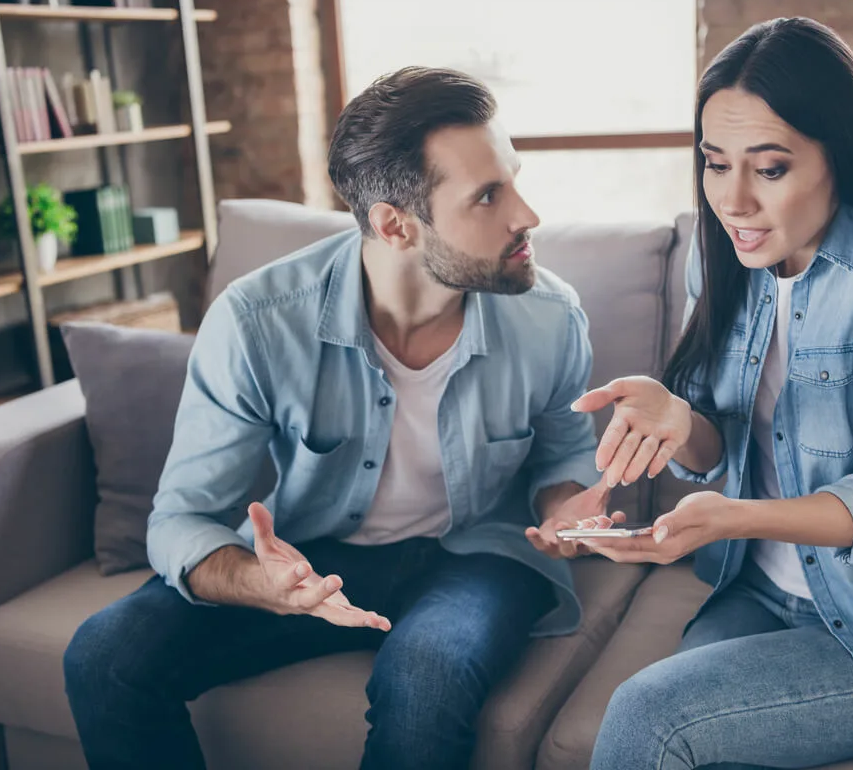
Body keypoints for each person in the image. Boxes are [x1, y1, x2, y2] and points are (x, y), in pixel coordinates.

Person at [62, 66, 614, 770]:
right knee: (104, 655)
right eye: (487, 196)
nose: (526, 214)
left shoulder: (550, 316)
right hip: (317, 552)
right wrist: (261, 584)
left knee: (427, 677)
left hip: (477, 553)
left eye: (514, 179)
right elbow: (182, 519)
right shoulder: (257, 322)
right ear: (395, 224)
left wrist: (569, 507)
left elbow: (564, 455)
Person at [571, 18, 853, 769]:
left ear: (838, 155)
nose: (734, 199)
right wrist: (680, 421)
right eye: (715, 164)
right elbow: (721, 442)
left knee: (648, 716)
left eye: (771, 168)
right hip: (758, 597)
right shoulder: (723, 255)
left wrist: (728, 518)